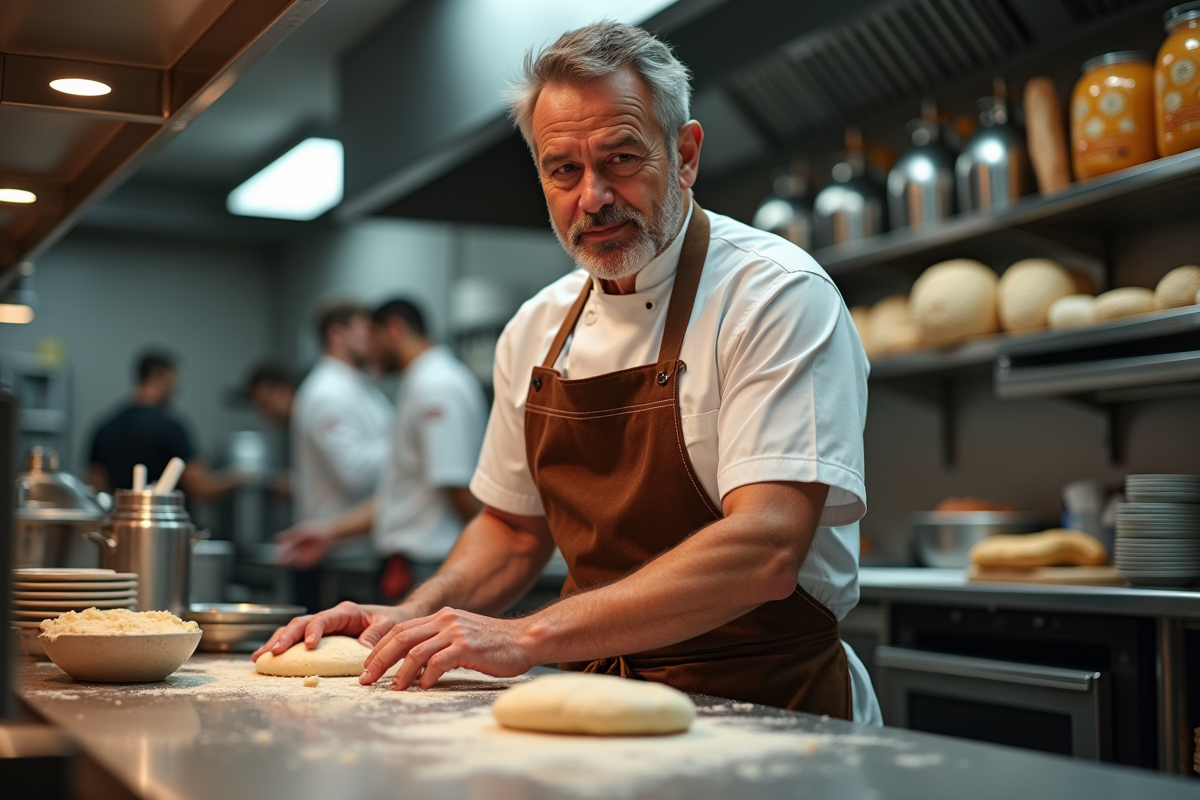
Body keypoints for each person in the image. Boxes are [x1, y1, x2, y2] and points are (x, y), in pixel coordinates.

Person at [256, 22, 880, 725]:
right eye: (564, 169)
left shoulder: (774, 295)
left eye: (620, 158)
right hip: (594, 710)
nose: (593, 196)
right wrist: (408, 618)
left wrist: (528, 635)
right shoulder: (535, 330)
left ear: (684, 154)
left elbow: (766, 545)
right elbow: (513, 531)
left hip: (770, 705)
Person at [275, 298, 488, 602]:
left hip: (426, 561)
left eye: (371, 336)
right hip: (411, 561)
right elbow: (402, 490)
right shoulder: (419, 383)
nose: (369, 348)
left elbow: (454, 486)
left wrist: (496, 546)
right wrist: (330, 532)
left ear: (394, 330)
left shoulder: (435, 386)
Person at [286, 299, 394, 609]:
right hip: (331, 557)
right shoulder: (325, 392)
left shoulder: (362, 389)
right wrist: (407, 452)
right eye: (363, 331)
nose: (371, 340)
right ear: (337, 335)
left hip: (358, 551)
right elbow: (354, 473)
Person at [88, 350, 243, 501]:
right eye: (173, 382)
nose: (176, 389)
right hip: (168, 524)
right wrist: (242, 477)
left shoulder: (104, 428)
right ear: (158, 375)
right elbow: (200, 488)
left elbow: (97, 490)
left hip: (122, 523)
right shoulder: (171, 428)